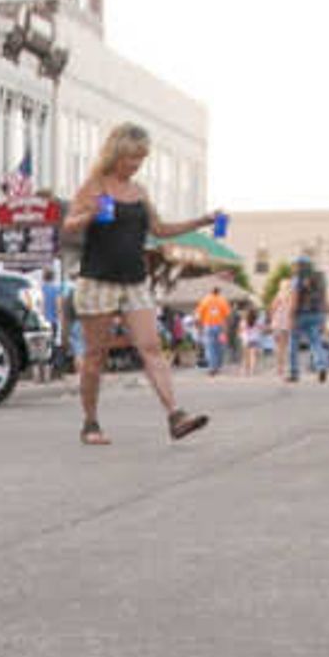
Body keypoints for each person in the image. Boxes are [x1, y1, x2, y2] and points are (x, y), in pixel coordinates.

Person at [61, 122, 214, 444]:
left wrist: (200, 222)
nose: (135, 165)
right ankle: (90, 422)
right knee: (95, 355)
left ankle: (176, 415)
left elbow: (159, 230)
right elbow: (68, 228)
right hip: (98, 278)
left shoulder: (140, 192)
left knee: (151, 347)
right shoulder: (94, 185)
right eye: (131, 158)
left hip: (134, 279)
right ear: (116, 153)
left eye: (140, 159)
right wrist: (88, 214)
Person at [282, 251, 329, 384]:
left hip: (300, 315)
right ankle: (321, 366)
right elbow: (325, 298)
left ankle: (294, 372)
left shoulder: (298, 279)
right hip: (317, 314)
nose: (294, 268)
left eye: (296, 265)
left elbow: (295, 298)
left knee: (293, 343)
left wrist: (290, 316)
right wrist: (325, 316)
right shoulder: (320, 278)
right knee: (316, 342)